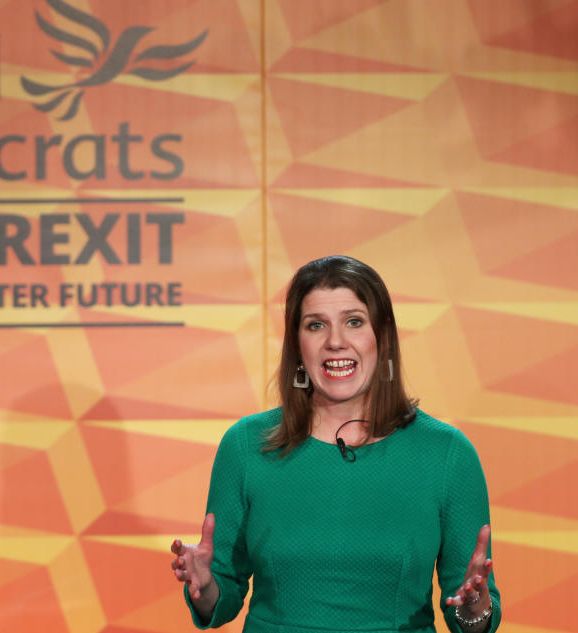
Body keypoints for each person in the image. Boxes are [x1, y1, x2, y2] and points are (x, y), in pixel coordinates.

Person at [170, 255, 500, 633]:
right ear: (297, 344)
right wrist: (205, 584)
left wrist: (474, 606)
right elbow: (220, 599)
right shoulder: (246, 445)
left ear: (383, 337)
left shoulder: (446, 454)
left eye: (354, 322)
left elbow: (471, 620)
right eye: (316, 325)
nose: (335, 342)